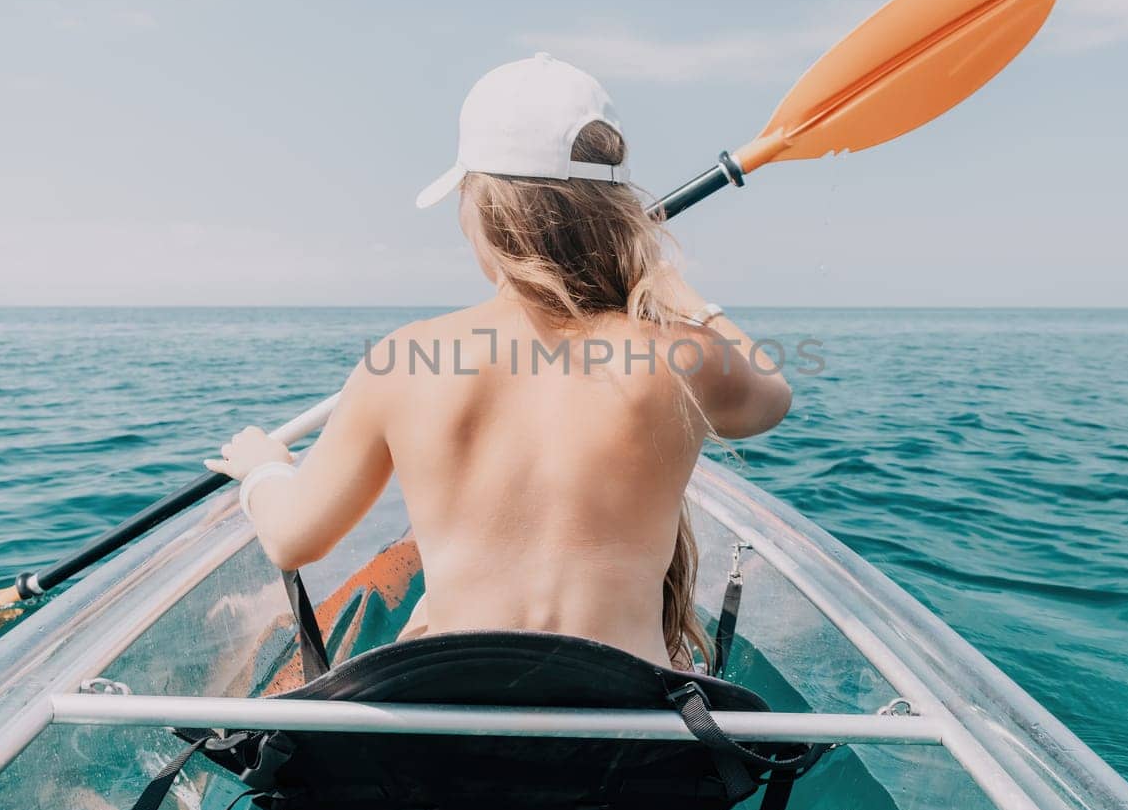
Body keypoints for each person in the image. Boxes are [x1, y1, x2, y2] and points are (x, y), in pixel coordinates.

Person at [206, 54, 791, 669]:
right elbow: (771, 398)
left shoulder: (407, 359)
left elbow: (295, 539)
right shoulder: (684, 357)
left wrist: (265, 473)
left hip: (459, 729)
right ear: (614, 211)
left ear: (483, 209)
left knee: (430, 622)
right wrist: (674, 290)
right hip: (629, 735)